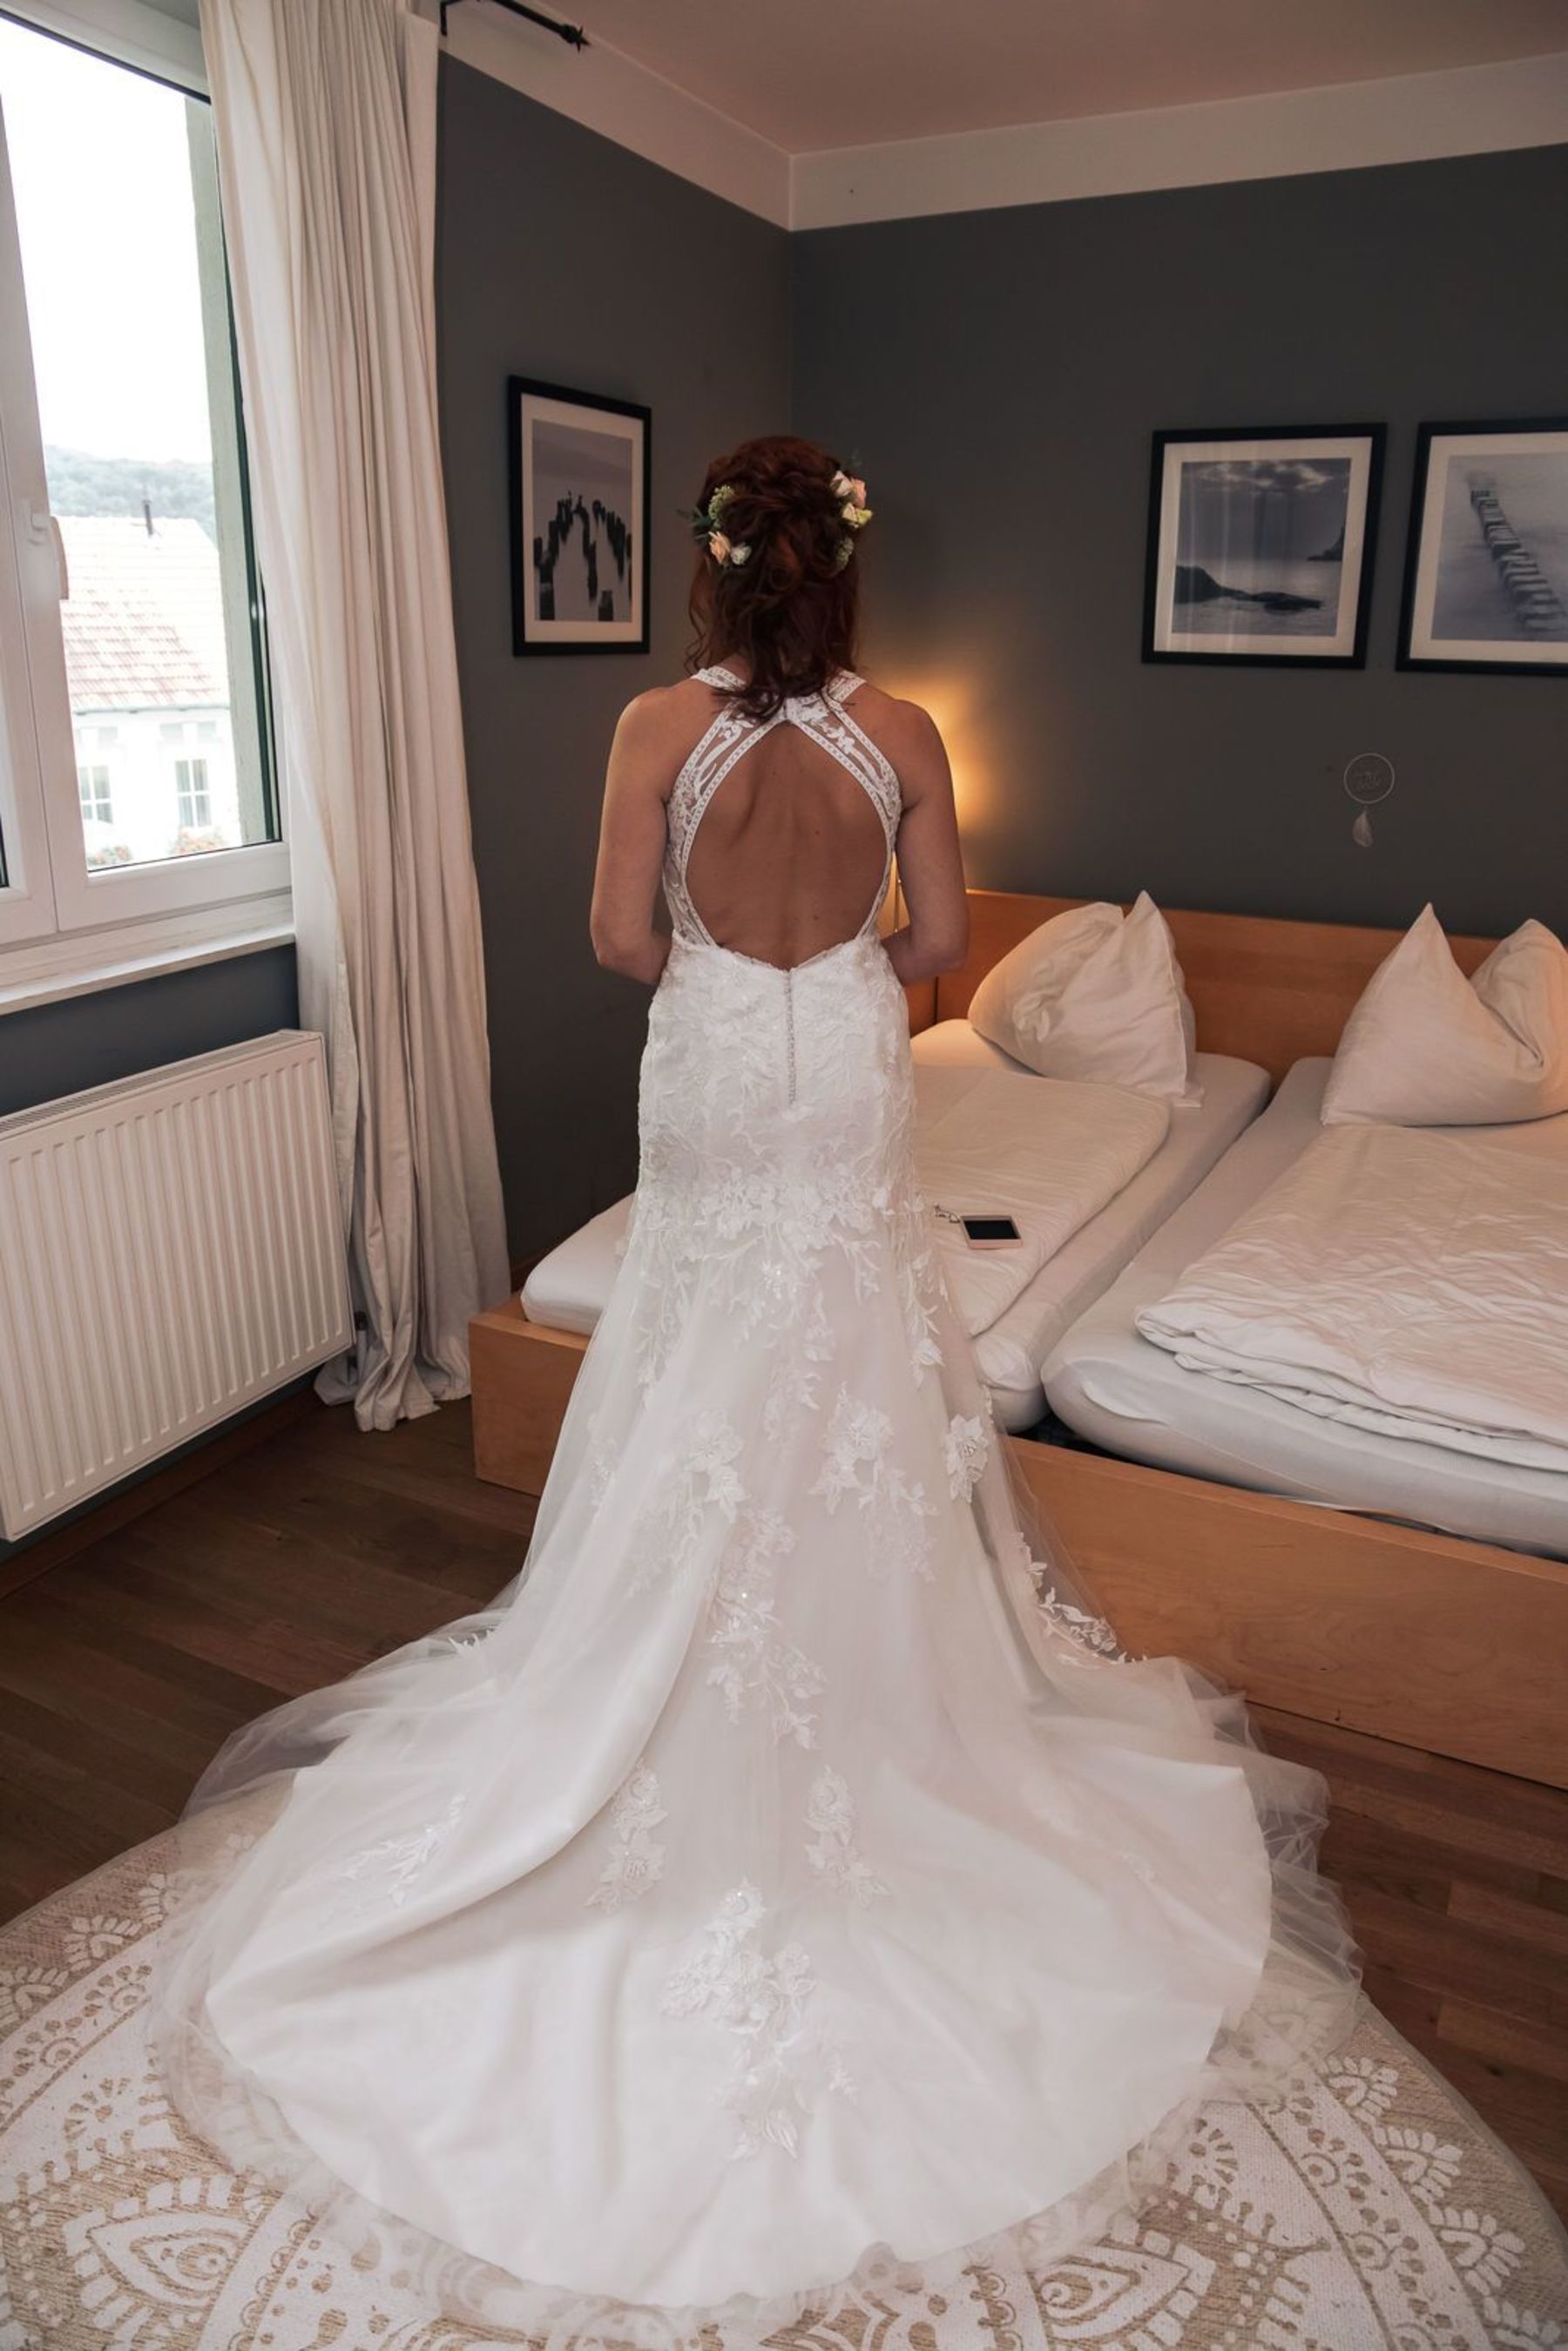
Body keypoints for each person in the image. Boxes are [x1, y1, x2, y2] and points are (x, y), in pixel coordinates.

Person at [150, 435, 1357, 2346]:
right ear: (842, 570)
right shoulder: (909, 733)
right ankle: (877, 1678)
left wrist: (732, 957)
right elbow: (945, 946)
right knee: (847, 1341)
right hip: (842, 1055)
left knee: (697, 1335)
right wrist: (837, 954)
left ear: (716, 568)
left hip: (714, 1056)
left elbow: (621, 941)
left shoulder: (654, 725)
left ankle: (650, 1651)